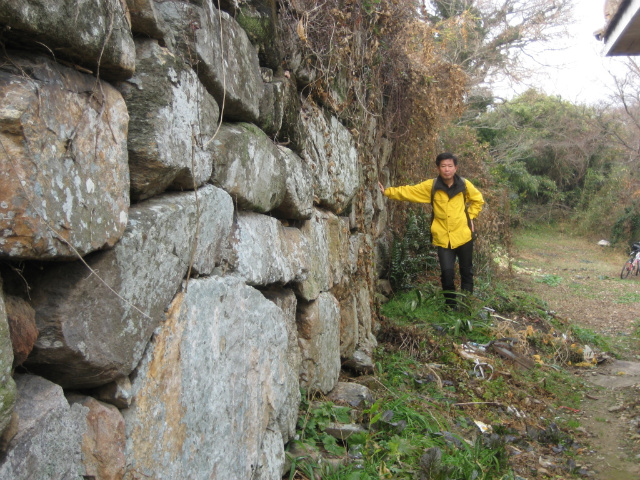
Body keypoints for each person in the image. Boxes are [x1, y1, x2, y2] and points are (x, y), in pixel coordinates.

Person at [378, 152, 485, 308]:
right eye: (443, 166)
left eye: (450, 166)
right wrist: (388, 192)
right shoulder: (432, 186)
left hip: (463, 235)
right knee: (447, 273)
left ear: (456, 168)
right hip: (442, 237)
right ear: (438, 168)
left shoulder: (464, 184)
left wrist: (470, 217)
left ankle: (467, 308)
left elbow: (478, 200)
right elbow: (411, 191)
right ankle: (451, 307)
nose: (446, 170)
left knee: (466, 272)